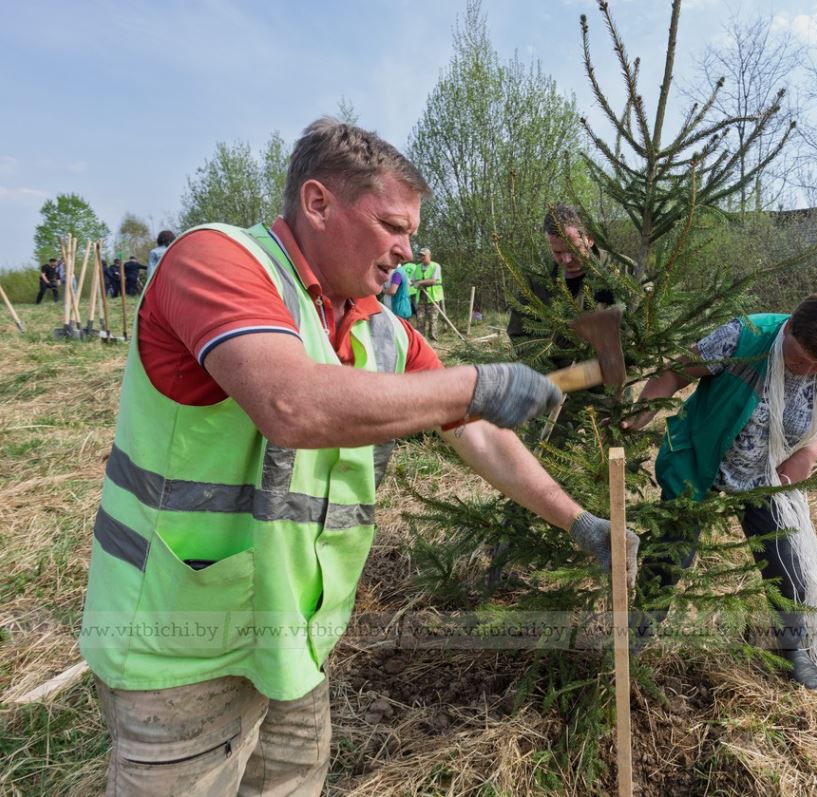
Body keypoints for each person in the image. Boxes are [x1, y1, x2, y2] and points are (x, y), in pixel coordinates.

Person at [79, 117, 639, 796]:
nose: (409, 248)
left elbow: (479, 433)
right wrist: (476, 382)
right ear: (317, 203)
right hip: (183, 649)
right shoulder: (216, 262)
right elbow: (291, 403)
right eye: (393, 227)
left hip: (293, 641)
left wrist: (577, 519)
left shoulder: (380, 328)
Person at [622, 291, 817, 689]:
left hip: (765, 474)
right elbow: (675, 373)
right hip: (702, 459)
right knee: (671, 556)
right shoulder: (744, 336)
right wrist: (640, 413)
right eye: (800, 359)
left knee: (786, 566)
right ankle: (634, 638)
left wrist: (811, 450)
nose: (805, 372)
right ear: (789, 329)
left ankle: (793, 648)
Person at [507, 204, 614, 369]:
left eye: (573, 249)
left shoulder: (620, 271)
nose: (566, 260)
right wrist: (547, 371)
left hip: (608, 389)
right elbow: (519, 336)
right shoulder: (536, 278)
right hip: (553, 386)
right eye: (557, 252)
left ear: (590, 238)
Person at [413, 247, 444, 341]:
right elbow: (413, 280)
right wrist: (415, 283)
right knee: (420, 319)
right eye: (420, 255)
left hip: (433, 296)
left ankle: (433, 340)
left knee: (432, 319)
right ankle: (421, 340)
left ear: (429, 256)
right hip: (421, 295)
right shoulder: (417, 267)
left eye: (423, 255)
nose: (421, 257)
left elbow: (433, 280)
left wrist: (420, 282)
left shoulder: (435, 266)